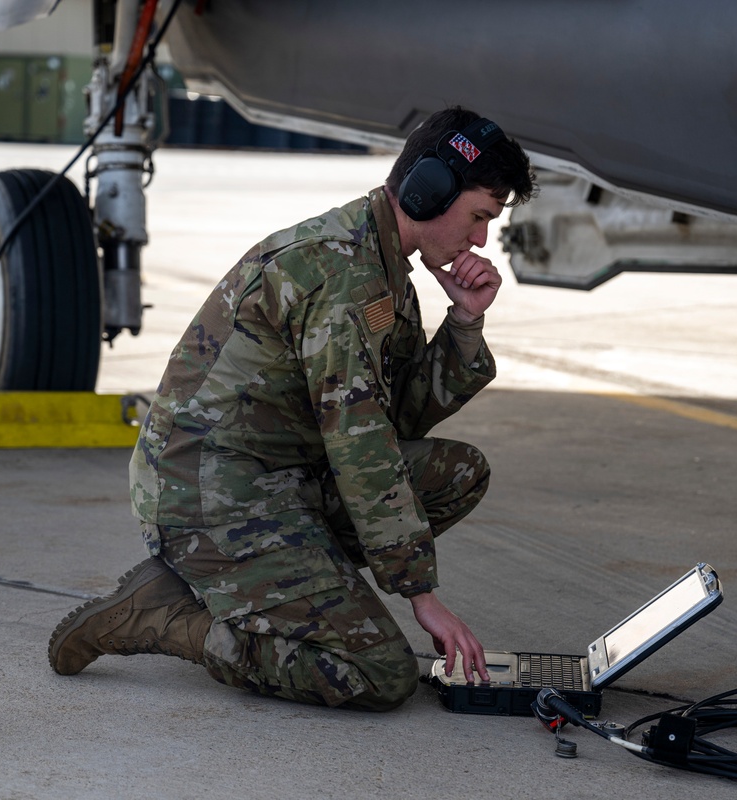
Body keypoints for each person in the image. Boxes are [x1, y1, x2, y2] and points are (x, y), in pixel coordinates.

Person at [48, 106, 536, 711]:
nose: (482, 238)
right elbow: (362, 451)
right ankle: (171, 619)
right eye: (480, 216)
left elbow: (400, 418)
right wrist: (420, 595)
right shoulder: (340, 275)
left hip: (278, 478)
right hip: (206, 491)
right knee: (378, 672)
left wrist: (464, 321)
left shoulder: (384, 270)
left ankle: (274, 583)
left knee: (458, 474)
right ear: (429, 191)